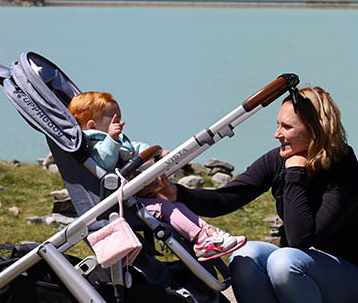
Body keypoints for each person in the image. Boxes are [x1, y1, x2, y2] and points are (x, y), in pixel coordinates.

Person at [157, 87, 358, 303]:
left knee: (284, 261)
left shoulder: (345, 172)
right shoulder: (278, 159)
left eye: (286, 127)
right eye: (278, 125)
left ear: (315, 131)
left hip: (344, 275)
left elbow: (301, 239)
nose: (276, 135)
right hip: (295, 266)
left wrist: (296, 173)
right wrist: (178, 194)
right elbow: (230, 196)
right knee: (244, 256)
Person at [68, 91, 245, 261]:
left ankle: (210, 234)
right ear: (92, 125)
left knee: (177, 205)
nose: (120, 124)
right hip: (117, 207)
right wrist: (112, 140)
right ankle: (200, 240)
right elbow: (104, 163)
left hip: (129, 198)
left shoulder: (114, 139)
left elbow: (133, 148)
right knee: (165, 208)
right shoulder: (93, 143)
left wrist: (155, 153)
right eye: (114, 119)